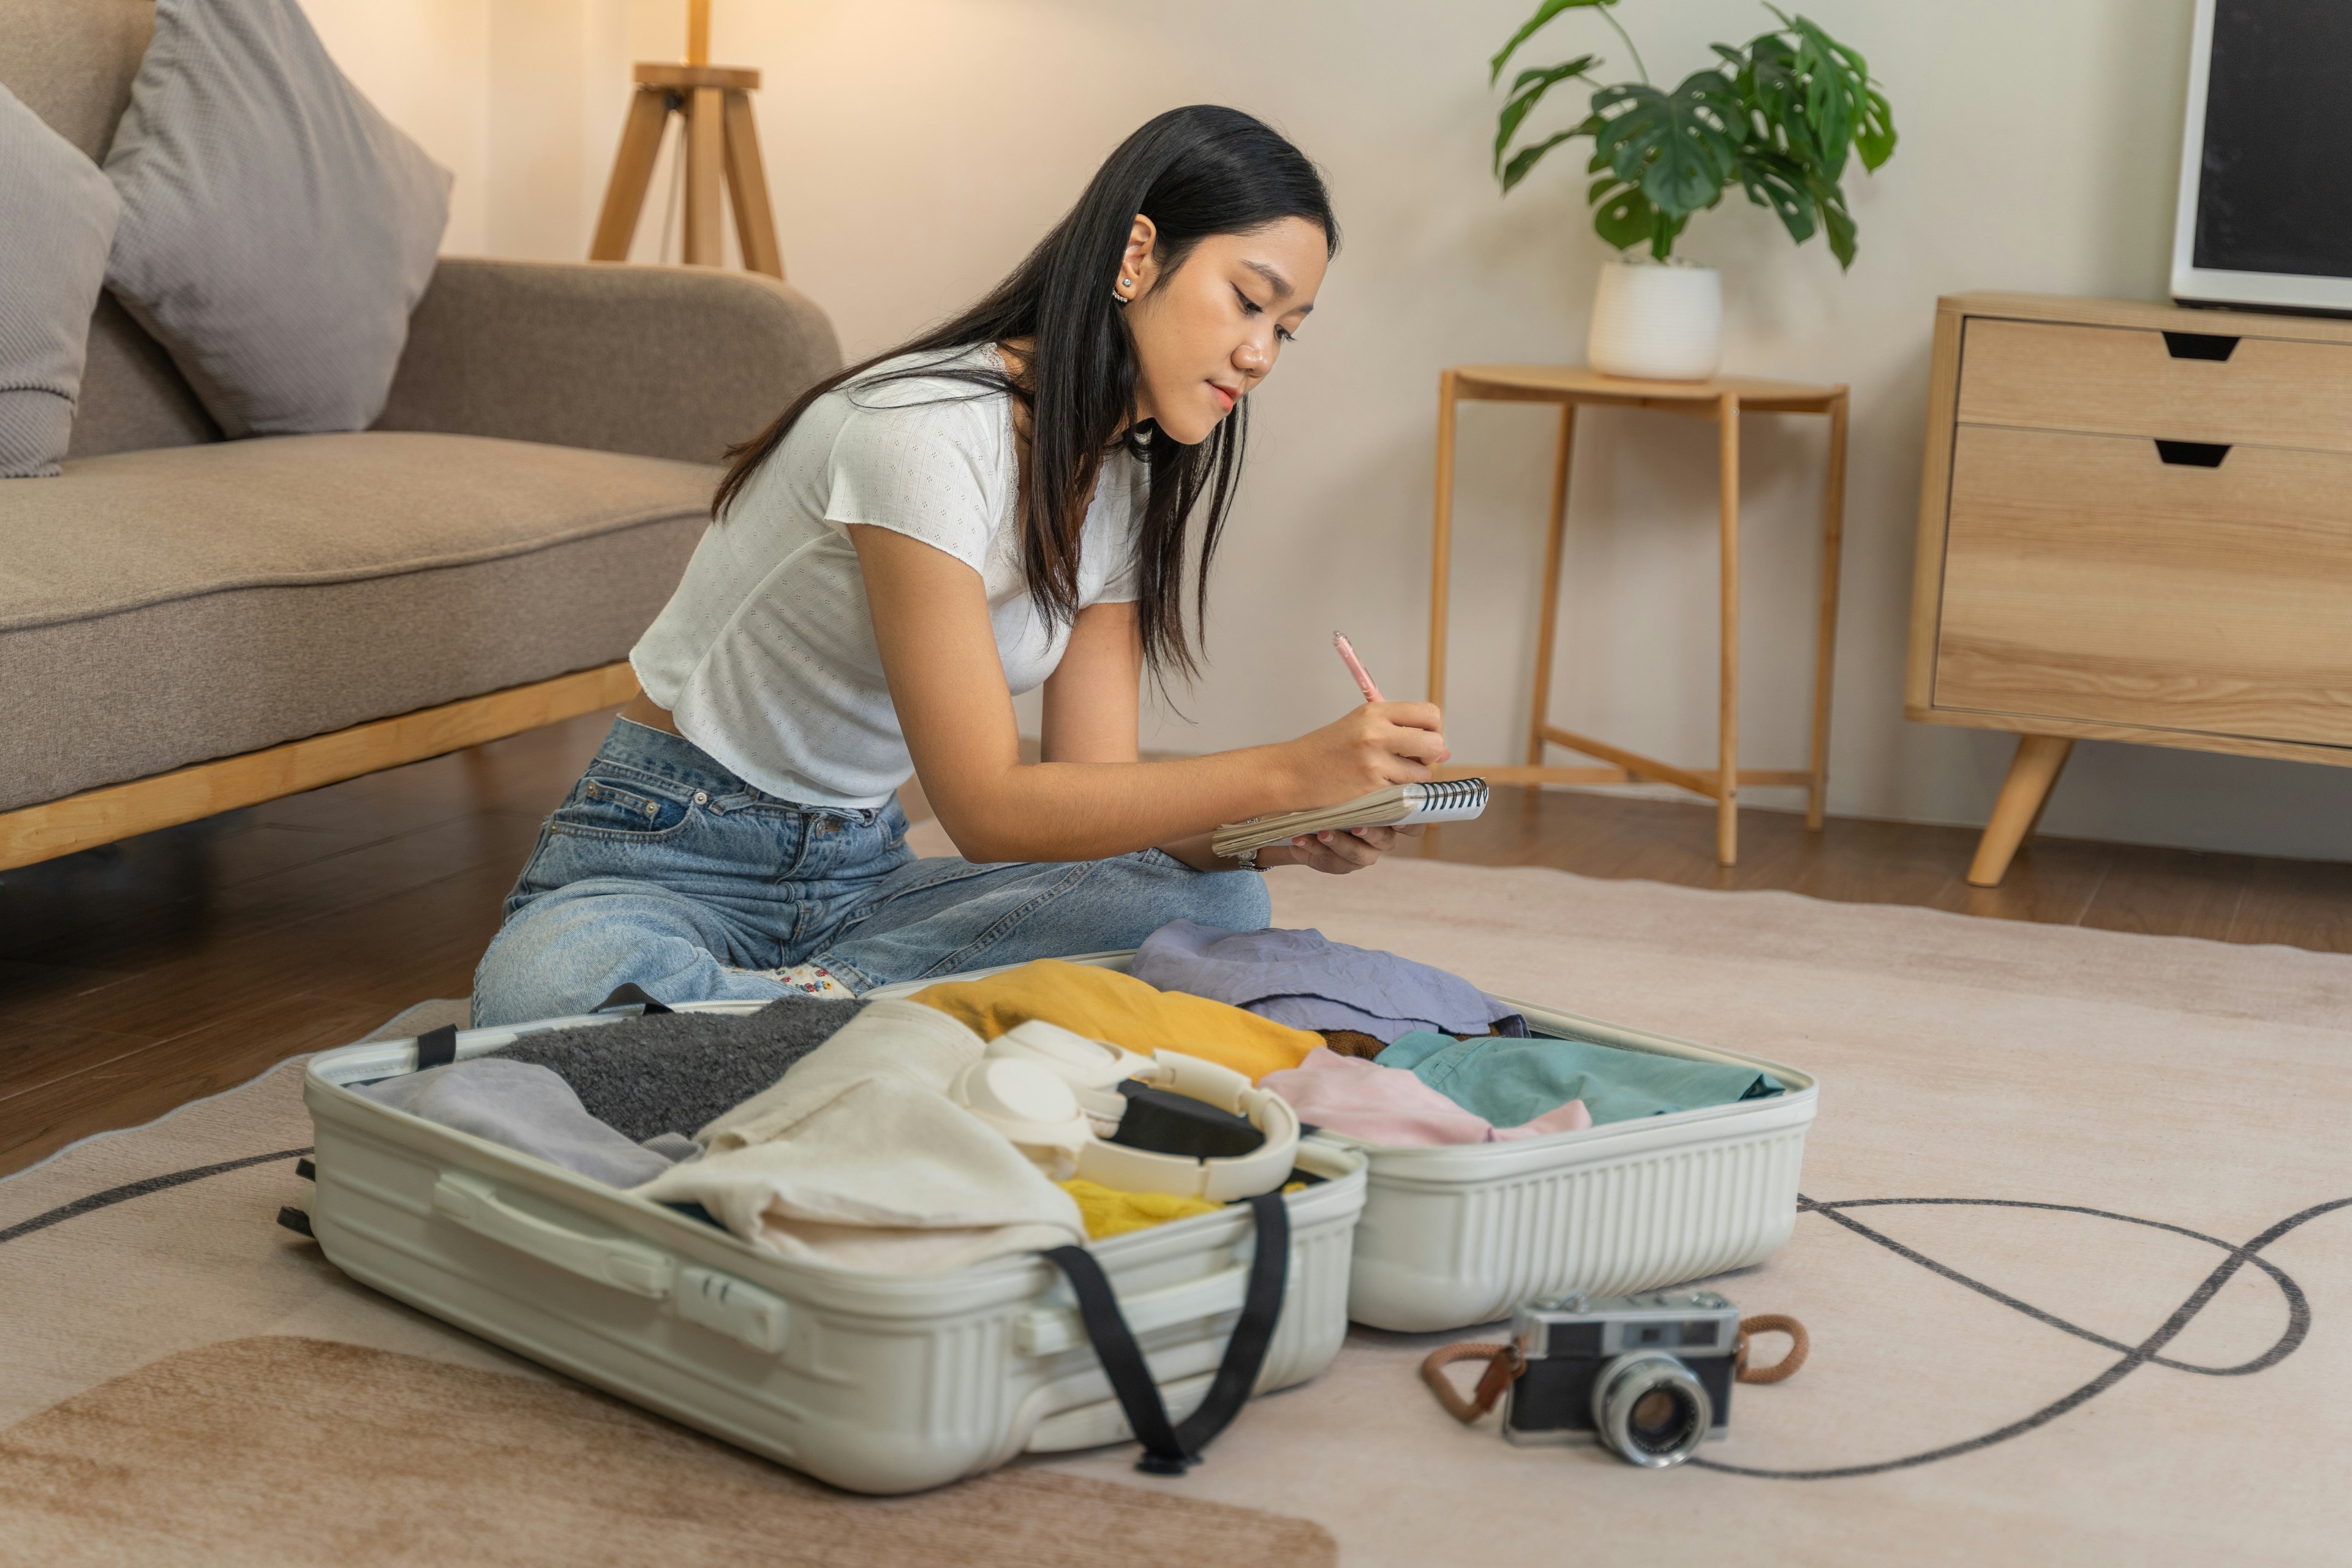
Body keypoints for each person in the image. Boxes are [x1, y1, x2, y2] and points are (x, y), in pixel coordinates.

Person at [471, 105, 1449, 1026]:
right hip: (671, 854)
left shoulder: (1125, 484)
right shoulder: (919, 433)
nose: (1261, 355)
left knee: (1223, 900)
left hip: (861, 877)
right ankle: (827, 1015)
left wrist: (1287, 825)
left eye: (1285, 330)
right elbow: (986, 808)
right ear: (1138, 254)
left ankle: (775, 1010)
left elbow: (1097, 797)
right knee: (551, 990)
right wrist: (1285, 769)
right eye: (1249, 301)